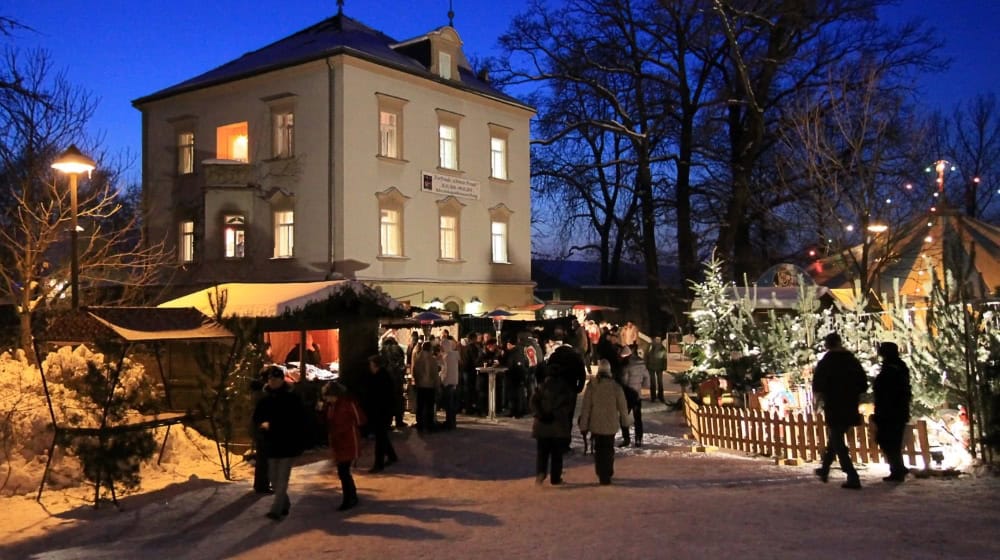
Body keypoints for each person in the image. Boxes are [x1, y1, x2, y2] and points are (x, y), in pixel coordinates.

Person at [812, 333, 868, 490]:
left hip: (834, 404)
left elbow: (818, 385)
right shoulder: (851, 360)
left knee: (836, 438)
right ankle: (825, 468)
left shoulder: (827, 362)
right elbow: (863, 383)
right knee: (835, 436)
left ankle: (851, 474)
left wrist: (820, 399)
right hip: (850, 403)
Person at [252, 365, 308, 519]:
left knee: (282, 478)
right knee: (273, 478)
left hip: (287, 443)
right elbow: (257, 417)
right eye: (270, 379)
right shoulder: (265, 399)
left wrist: (297, 439)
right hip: (271, 444)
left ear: (282, 380)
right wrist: (262, 426)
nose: (272, 381)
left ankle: (276, 509)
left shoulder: (291, 399)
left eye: (275, 379)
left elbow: (299, 420)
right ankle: (284, 502)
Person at [578, 359, 631, 485]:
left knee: (599, 449)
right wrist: (625, 424)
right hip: (611, 425)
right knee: (608, 449)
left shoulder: (592, 386)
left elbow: (586, 408)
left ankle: (601, 473)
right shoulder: (616, 387)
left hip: (596, 425)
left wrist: (584, 426)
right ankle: (607, 472)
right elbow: (623, 409)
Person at [321, 381, 365, 511]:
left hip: (349, 441)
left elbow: (360, 419)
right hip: (338, 442)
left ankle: (349, 499)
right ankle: (352, 496)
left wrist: (347, 428)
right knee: (343, 472)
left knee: (344, 471)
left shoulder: (347, 404)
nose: (327, 399)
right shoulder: (332, 406)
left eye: (328, 396)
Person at [530, 363, 576, 486]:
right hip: (557, 425)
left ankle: (541, 473)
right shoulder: (564, 388)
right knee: (557, 454)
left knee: (542, 452)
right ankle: (555, 478)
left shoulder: (542, 386)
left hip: (542, 425)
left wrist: (541, 414)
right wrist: (558, 414)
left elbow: (533, 402)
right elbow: (568, 406)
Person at [872, 342, 912, 483]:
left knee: (889, 441)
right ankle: (898, 467)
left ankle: (897, 470)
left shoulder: (892, 368)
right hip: (896, 410)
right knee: (891, 441)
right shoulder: (898, 367)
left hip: (890, 411)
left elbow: (887, 390)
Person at [362, 355, 399, 472]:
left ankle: (379, 463)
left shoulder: (380, 378)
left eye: (371, 364)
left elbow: (378, 397)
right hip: (384, 411)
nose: (369, 367)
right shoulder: (382, 376)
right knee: (382, 435)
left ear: (375, 365)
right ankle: (392, 456)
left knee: (380, 437)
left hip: (381, 411)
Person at [621, 345, 650, 447]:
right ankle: (639, 439)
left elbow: (624, 380)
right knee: (637, 418)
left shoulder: (627, 365)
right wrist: (643, 386)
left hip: (628, 394)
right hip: (637, 394)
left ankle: (626, 438)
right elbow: (647, 378)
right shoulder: (641, 364)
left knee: (624, 417)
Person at [379, 336, 408, 429]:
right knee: (398, 400)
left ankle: (388, 422)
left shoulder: (382, 350)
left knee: (387, 401)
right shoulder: (398, 349)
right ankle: (399, 421)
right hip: (397, 379)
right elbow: (402, 364)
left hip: (386, 381)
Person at [412, 341, 440, 432]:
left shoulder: (418, 358)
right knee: (429, 406)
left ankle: (420, 424)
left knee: (420, 406)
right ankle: (429, 424)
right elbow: (435, 374)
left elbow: (414, 371)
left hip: (420, 385)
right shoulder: (432, 359)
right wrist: (437, 385)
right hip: (430, 386)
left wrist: (416, 381)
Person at [439, 334, 461, 429]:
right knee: (453, 404)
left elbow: (445, 371)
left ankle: (449, 423)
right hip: (455, 382)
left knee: (448, 404)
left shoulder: (445, 357)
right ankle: (453, 422)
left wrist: (441, 380)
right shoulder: (455, 354)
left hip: (448, 382)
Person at [646, 335, 667, 403]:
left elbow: (665, 358)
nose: (658, 340)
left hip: (659, 367)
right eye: (656, 339)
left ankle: (661, 396)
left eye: (659, 339)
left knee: (660, 382)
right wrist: (646, 365)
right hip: (651, 367)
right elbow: (646, 355)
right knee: (653, 382)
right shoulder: (650, 346)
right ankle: (653, 397)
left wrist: (664, 367)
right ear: (654, 339)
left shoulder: (662, 348)